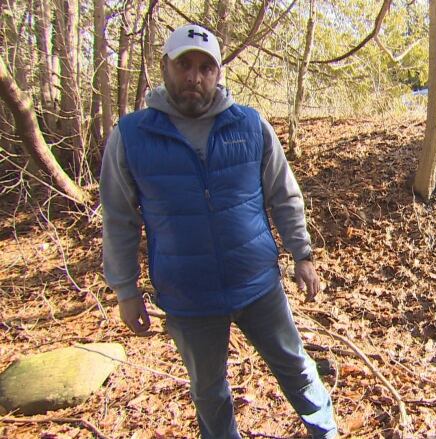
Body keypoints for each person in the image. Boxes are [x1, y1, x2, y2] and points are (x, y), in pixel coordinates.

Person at [100, 24, 338, 439]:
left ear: (218, 73)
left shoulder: (249, 125)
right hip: (189, 298)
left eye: (206, 67)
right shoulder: (132, 136)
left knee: (296, 368)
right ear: (165, 68)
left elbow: (284, 193)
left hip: (258, 284)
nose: (194, 77)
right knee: (209, 392)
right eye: (184, 65)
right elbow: (119, 219)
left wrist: (303, 255)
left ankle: (327, 431)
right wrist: (125, 290)